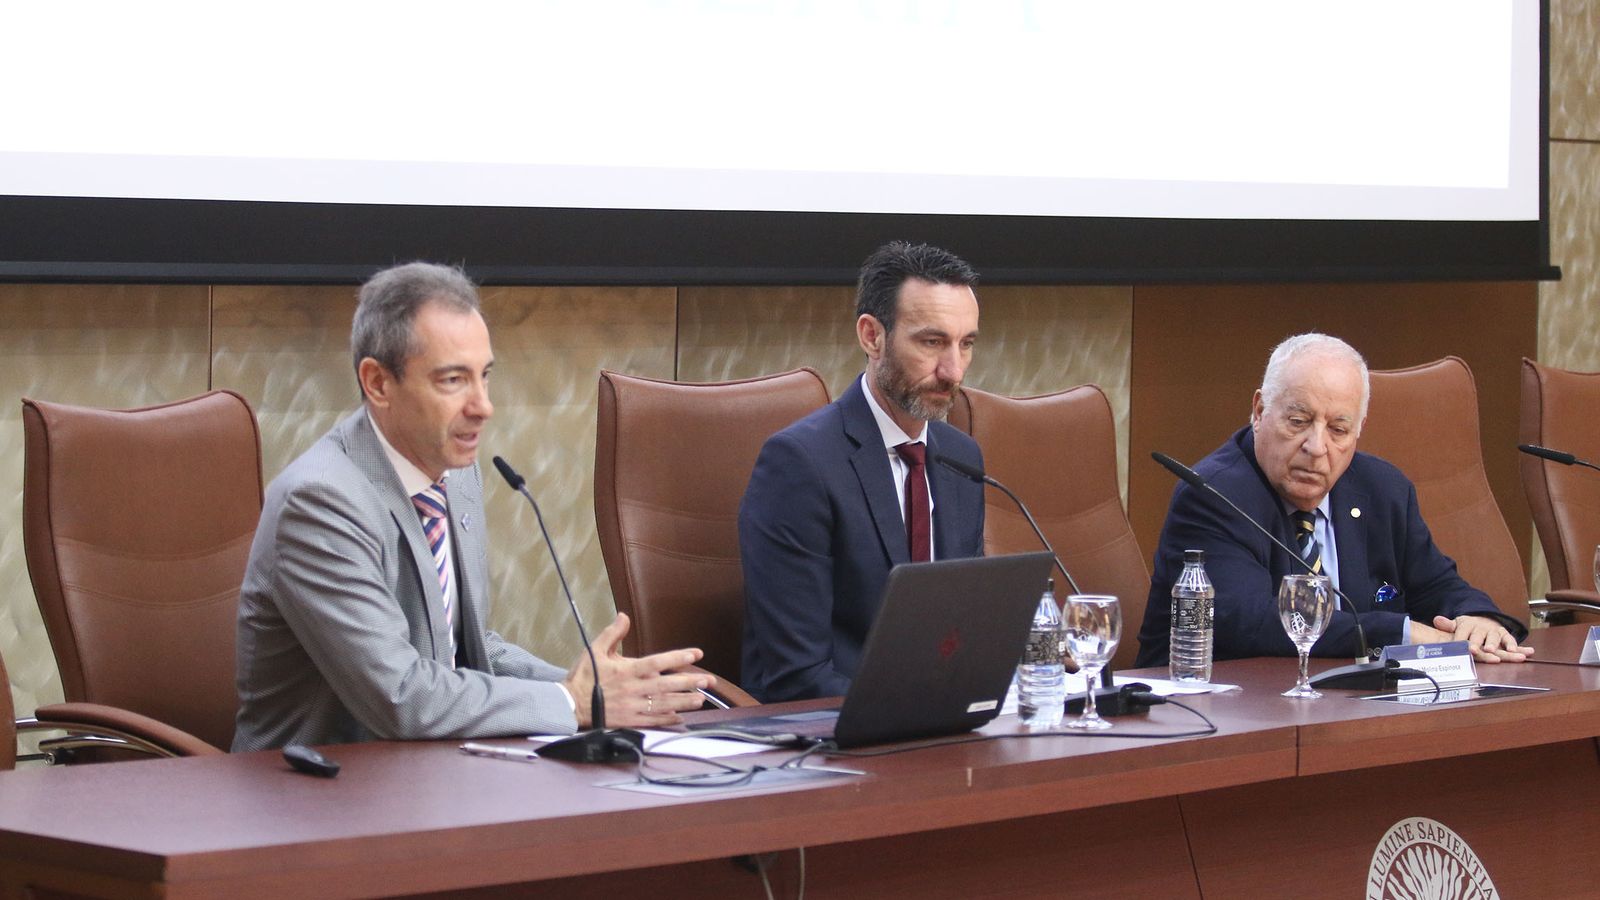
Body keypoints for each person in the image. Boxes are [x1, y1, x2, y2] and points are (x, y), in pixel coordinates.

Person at [233, 262, 711, 752]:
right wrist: (571, 702)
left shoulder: (454, 472)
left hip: (426, 773)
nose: (483, 406)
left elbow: (470, 648)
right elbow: (402, 696)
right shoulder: (322, 502)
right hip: (313, 796)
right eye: (453, 380)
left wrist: (600, 691)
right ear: (378, 383)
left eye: (484, 376)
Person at [1136, 332, 1533, 668]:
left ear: (1358, 431)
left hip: (1350, 709)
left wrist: (1476, 619)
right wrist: (1399, 633)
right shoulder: (1212, 495)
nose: (1317, 447)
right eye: (1298, 422)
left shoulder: (1383, 489)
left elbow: (1438, 584)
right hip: (1218, 715)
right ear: (1259, 411)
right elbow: (1247, 621)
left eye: (1338, 429)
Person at [738, 241, 986, 702]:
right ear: (872, 337)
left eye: (966, 344)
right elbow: (796, 673)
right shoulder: (800, 463)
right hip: (831, 734)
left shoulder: (961, 458)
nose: (953, 370)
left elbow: (960, 628)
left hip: (940, 727)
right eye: (932, 342)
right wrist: (915, 713)